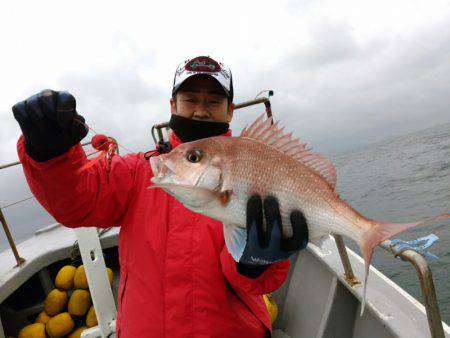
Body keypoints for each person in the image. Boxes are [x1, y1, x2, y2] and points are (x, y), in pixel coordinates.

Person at [12, 56, 309, 337]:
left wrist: (255, 264)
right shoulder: (136, 171)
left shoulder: (250, 171)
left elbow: (259, 284)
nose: (201, 110)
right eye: (190, 99)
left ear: (230, 109)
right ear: (172, 104)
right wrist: (49, 154)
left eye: (214, 101)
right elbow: (77, 202)